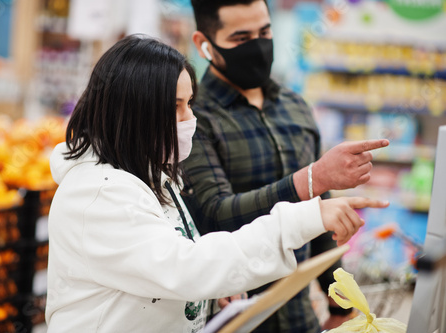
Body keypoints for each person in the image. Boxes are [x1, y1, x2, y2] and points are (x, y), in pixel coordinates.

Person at [45, 34, 387, 332]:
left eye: (190, 104)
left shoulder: (151, 176)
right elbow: (187, 268)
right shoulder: (98, 193)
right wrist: (303, 218)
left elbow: (161, 266)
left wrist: (205, 300)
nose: (189, 119)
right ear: (132, 112)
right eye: (175, 107)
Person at [183, 1, 390, 332]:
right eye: (241, 38)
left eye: (264, 32)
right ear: (203, 43)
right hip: (232, 320)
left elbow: (320, 213)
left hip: (300, 318)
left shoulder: (296, 108)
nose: (258, 45)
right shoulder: (193, 118)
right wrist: (312, 178)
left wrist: (341, 303)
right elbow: (214, 214)